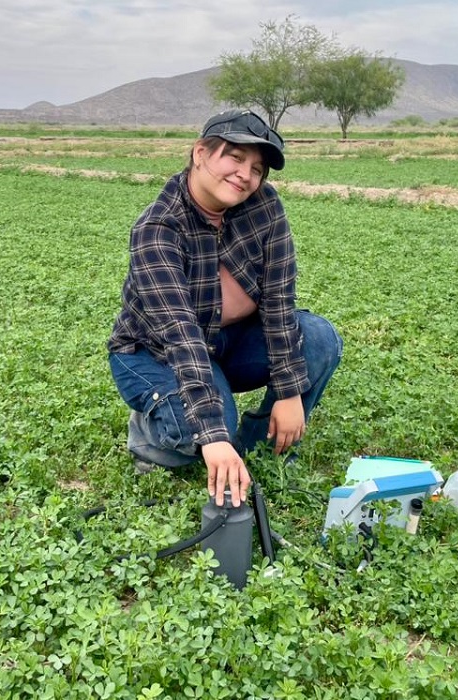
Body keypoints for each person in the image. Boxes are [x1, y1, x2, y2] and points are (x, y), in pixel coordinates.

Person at [107, 109, 342, 508]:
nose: (245, 175)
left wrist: (289, 392)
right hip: (153, 353)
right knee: (198, 429)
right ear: (200, 153)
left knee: (319, 338)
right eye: (234, 157)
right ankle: (151, 435)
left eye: (257, 168)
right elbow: (180, 334)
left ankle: (252, 445)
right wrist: (213, 435)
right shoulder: (158, 228)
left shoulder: (264, 206)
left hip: (229, 342)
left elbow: (279, 300)